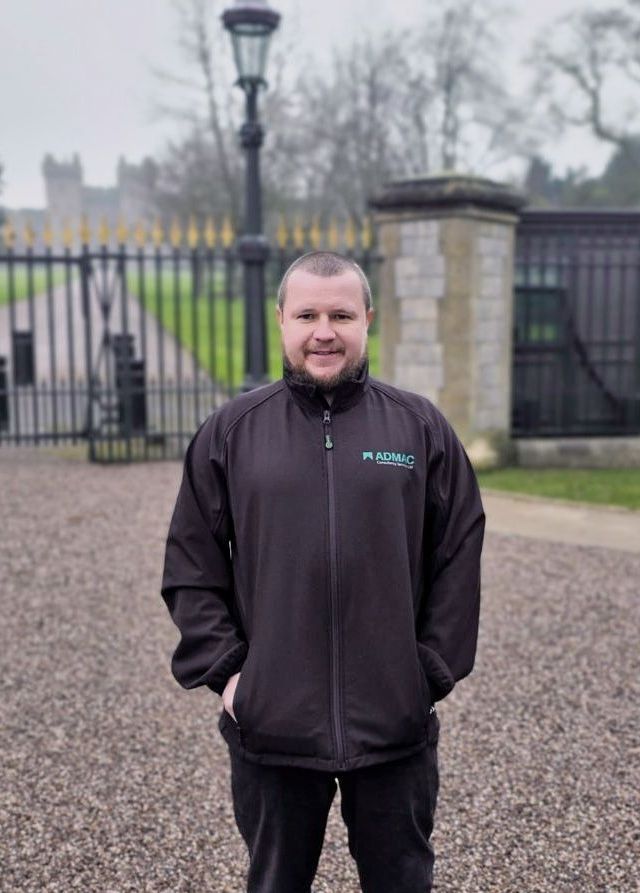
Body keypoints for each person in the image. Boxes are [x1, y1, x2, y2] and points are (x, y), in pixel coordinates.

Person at [160, 250, 485, 893]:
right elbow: (191, 562)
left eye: (340, 314)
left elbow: (459, 550)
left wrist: (428, 671)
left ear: (368, 320)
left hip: (394, 728)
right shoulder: (233, 431)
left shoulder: (419, 428)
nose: (324, 331)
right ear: (281, 321)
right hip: (273, 730)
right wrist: (230, 676)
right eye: (306, 314)